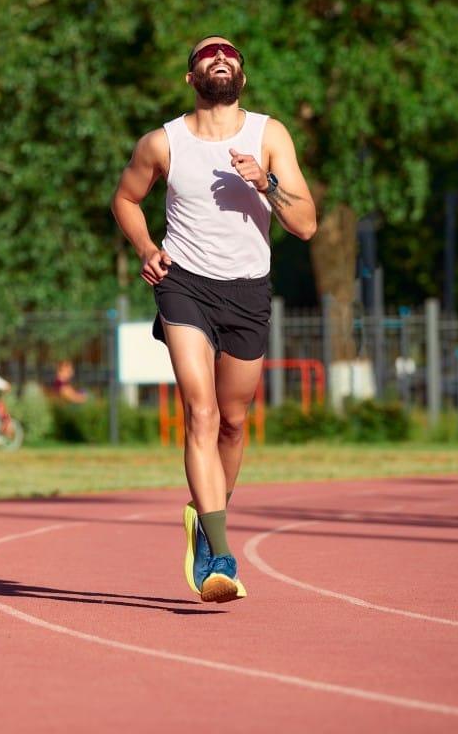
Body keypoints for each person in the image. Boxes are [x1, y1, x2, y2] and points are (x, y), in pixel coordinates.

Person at [110, 36, 317, 603]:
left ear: (241, 78)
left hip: (248, 291)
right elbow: (125, 200)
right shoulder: (162, 142)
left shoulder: (269, 135)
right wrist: (147, 247)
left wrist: (265, 183)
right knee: (198, 412)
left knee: (233, 420)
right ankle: (220, 554)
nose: (219, 59)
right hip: (185, 285)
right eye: (207, 55)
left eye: (230, 56)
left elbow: (307, 227)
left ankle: (205, 517)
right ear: (191, 76)